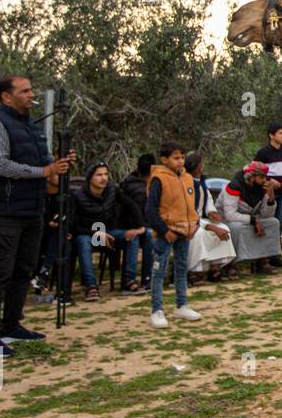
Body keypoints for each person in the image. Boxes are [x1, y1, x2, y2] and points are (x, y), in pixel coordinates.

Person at [0, 76, 75, 356]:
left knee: (22, 270)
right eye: (25, 91)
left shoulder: (30, 125)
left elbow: (42, 162)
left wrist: (59, 164)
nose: (32, 95)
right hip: (1, 211)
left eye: (32, 90)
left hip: (30, 209)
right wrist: (44, 172)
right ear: (7, 97)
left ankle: (11, 324)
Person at [144, 141, 201, 329]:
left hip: (185, 231)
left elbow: (193, 204)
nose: (180, 162)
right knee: (159, 270)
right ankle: (157, 309)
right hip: (166, 232)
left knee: (182, 268)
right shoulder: (159, 179)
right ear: (164, 159)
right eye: (176, 158)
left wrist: (194, 224)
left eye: (182, 158)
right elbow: (151, 210)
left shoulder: (188, 178)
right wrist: (163, 230)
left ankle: (181, 304)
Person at [69, 162, 145, 300]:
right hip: (88, 234)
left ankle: (129, 281)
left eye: (105, 174)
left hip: (109, 231)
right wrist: (95, 233)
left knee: (131, 236)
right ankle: (91, 286)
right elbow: (74, 225)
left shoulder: (112, 189)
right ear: (90, 178)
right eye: (99, 175)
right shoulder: (78, 196)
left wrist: (140, 226)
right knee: (82, 242)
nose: (103, 178)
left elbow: (131, 204)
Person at [218, 161, 282, 274]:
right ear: (252, 177)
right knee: (236, 228)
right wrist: (253, 220)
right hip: (226, 220)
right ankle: (231, 263)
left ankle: (262, 260)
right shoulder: (234, 186)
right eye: (262, 177)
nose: (264, 180)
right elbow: (230, 215)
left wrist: (271, 196)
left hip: (249, 218)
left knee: (273, 222)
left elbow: (267, 215)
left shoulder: (261, 187)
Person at [184, 151, 236, 281]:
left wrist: (211, 212)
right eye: (201, 163)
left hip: (201, 219)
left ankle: (215, 268)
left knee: (225, 228)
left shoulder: (201, 182)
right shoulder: (185, 183)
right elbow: (188, 212)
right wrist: (210, 227)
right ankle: (193, 271)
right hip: (187, 222)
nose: (203, 166)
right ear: (196, 166)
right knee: (200, 234)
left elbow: (206, 199)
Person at [253, 122, 282, 267]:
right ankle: (264, 256)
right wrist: (270, 181)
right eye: (280, 133)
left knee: (279, 222)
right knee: (269, 221)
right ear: (271, 135)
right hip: (269, 194)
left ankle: (275, 255)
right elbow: (256, 172)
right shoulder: (263, 152)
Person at [121, 153, 156, 289]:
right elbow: (141, 214)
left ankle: (149, 278)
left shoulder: (131, 181)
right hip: (132, 227)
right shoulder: (139, 190)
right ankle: (147, 278)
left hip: (143, 226)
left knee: (150, 233)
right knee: (150, 234)